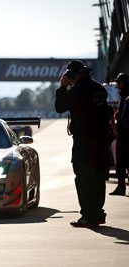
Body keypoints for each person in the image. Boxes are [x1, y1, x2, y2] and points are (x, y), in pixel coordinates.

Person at [55, 60, 112, 228]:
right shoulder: (99, 89)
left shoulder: (78, 91)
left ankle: (88, 216)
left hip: (85, 141)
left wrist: (62, 87)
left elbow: (59, 107)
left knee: (83, 179)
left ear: (72, 75)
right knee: (98, 178)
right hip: (101, 140)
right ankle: (98, 214)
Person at [109, 73, 129, 195]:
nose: (117, 86)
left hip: (125, 136)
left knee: (121, 163)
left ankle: (121, 188)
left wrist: (119, 119)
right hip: (123, 135)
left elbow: (126, 119)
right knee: (121, 164)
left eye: (119, 83)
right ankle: (121, 187)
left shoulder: (127, 96)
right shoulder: (124, 96)